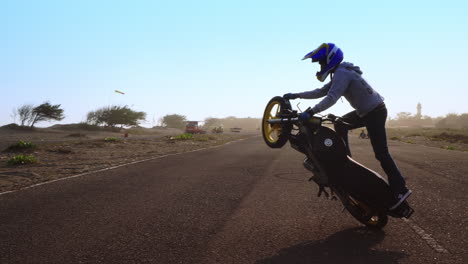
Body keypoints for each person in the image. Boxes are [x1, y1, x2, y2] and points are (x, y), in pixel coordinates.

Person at [283, 43, 411, 210]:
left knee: (381, 152)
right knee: (340, 125)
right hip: (365, 112)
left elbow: (331, 98)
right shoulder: (340, 72)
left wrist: (311, 111)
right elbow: (321, 91)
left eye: (322, 62)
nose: (321, 66)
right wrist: (297, 95)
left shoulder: (342, 73)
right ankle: (346, 161)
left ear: (330, 59)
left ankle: (400, 188)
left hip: (375, 112)